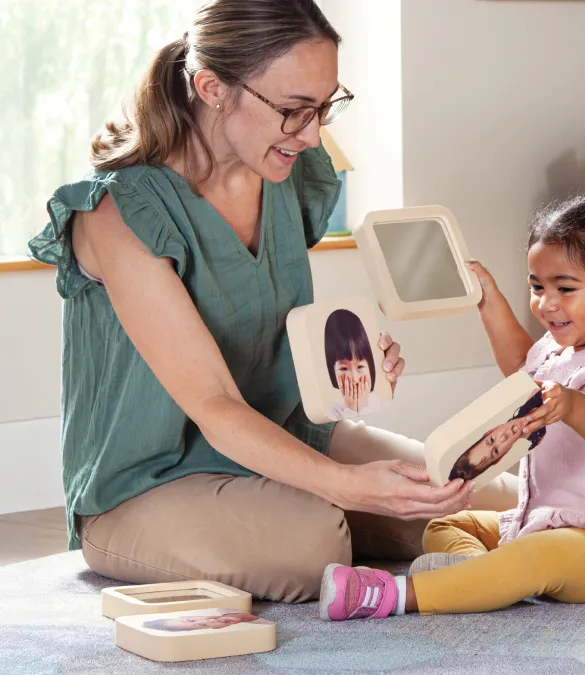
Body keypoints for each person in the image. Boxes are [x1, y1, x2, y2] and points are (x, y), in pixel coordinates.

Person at [28, 0, 517, 603]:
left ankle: (325, 515)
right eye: (292, 110)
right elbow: (212, 400)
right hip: (145, 486)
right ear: (212, 87)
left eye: (325, 107)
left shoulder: (286, 171)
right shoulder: (119, 212)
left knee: (491, 499)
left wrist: (348, 360)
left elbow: (263, 335)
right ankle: (325, 519)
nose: (313, 135)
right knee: (315, 546)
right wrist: (347, 487)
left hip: (281, 439)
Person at [318, 198, 585, 621]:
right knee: (447, 525)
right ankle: (476, 580)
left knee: (536, 556)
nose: (546, 303)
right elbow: (518, 370)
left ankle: (392, 595)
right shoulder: (553, 352)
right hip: (543, 525)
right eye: (537, 287)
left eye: (565, 288)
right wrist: (487, 299)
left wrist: (571, 404)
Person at [448, 391, 546, 482]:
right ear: (503, 455)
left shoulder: (527, 396)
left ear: (490, 431)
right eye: (496, 451)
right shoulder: (538, 440)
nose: (503, 438)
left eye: (491, 440)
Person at [324, 309, 387, 420]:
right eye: (344, 368)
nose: (355, 378)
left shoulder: (382, 404)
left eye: (360, 367)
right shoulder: (333, 413)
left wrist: (363, 405)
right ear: (332, 371)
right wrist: (351, 409)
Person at [143, 609, 267, 632]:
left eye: (190, 619)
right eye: (202, 625)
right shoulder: (255, 628)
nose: (210, 622)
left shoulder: (224, 609)